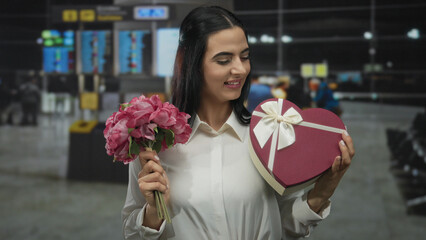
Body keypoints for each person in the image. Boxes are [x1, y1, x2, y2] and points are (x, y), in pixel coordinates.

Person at [122, 6, 355, 240]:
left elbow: (286, 227)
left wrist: (322, 192)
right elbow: (132, 232)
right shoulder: (156, 144)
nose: (240, 69)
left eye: (244, 56)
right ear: (190, 64)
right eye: (224, 60)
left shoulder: (270, 134)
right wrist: (153, 213)